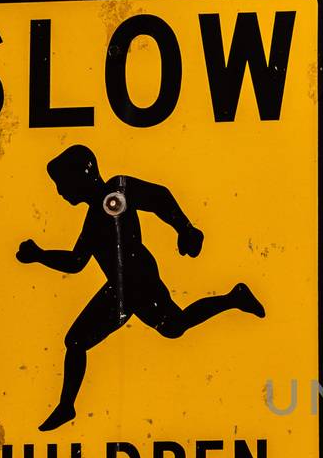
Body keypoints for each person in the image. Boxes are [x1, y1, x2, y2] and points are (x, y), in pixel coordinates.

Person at [17, 144, 264, 431]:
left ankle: (234, 298)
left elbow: (158, 197)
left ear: (80, 177)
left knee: (172, 326)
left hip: (139, 281)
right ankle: (66, 406)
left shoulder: (114, 193)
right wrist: (40, 255)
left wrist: (185, 228)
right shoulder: (94, 217)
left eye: (62, 183)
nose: (60, 191)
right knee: (84, 339)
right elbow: (76, 262)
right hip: (120, 290)